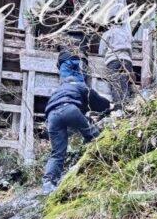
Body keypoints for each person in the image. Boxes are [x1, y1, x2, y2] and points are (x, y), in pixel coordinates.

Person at [42, 52, 111, 193]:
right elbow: (97, 101)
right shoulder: (80, 86)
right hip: (70, 109)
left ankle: (48, 183)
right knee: (92, 135)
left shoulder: (58, 90)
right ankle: (104, 160)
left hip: (52, 116)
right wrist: (108, 107)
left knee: (57, 153)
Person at [100, 21, 135, 108]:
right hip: (127, 61)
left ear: (110, 24)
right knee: (125, 84)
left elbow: (101, 51)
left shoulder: (108, 33)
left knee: (115, 85)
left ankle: (118, 109)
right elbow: (131, 49)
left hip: (113, 60)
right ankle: (126, 107)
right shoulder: (127, 34)